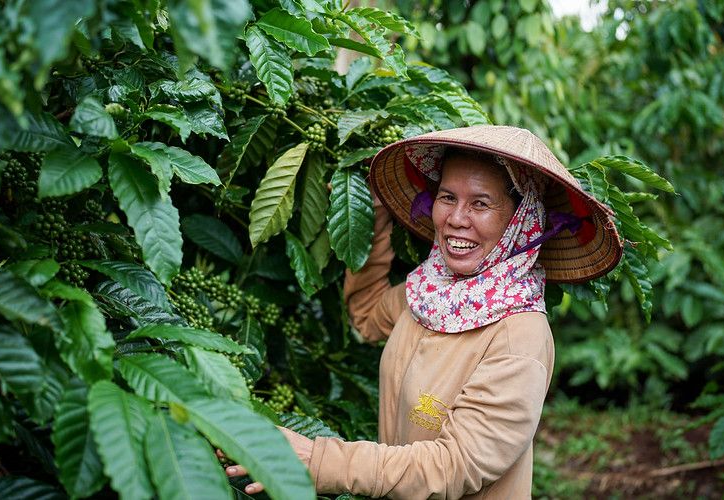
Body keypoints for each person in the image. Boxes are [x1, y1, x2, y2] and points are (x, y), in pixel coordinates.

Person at [227, 125, 623, 499]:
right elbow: (366, 315)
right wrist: (372, 212)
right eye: (447, 197)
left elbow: (455, 465)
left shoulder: (520, 336)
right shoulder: (429, 293)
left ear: (520, 220)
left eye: (480, 204)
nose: (456, 219)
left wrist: (319, 461)